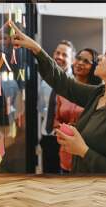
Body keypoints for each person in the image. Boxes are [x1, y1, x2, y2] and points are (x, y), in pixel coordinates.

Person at [9, 21, 106, 173]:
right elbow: (63, 83)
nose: (99, 58)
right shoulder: (99, 94)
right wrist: (35, 47)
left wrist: (83, 151)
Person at [54, 48, 102, 173]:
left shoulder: (97, 94)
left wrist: (78, 128)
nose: (80, 63)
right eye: (79, 58)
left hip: (86, 153)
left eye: (86, 61)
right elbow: (56, 120)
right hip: (65, 152)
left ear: (94, 67)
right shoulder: (63, 91)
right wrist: (61, 128)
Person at [38, 40, 75, 173]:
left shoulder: (75, 83)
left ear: (72, 60)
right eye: (57, 53)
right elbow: (41, 108)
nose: (59, 57)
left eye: (64, 55)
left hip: (66, 139)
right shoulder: (46, 81)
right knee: (48, 176)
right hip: (47, 136)